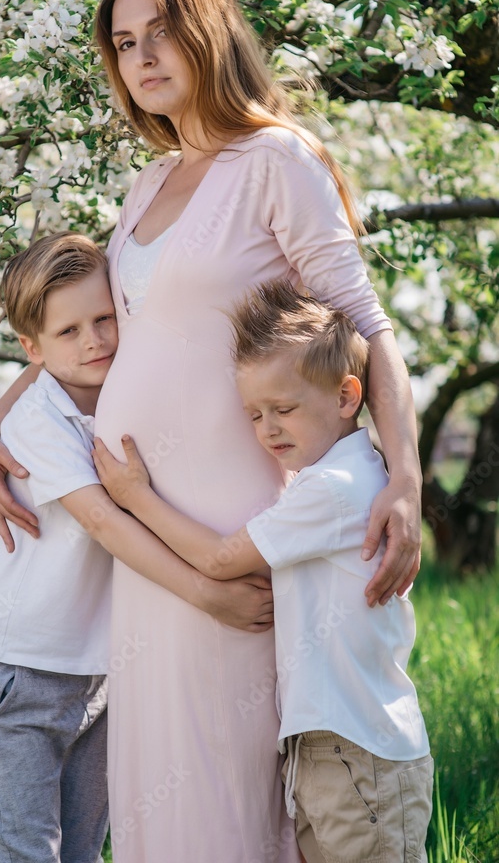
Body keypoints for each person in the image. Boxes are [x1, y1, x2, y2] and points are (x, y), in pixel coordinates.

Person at [0, 0, 422, 862]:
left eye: (159, 32)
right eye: (123, 44)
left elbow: (368, 331)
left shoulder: (276, 162)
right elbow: (108, 336)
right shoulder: (146, 187)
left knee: (227, 773)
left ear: (209, 32)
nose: (141, 57)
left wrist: (402, 481)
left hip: (230, 524)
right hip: (150, 543)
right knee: (156, 784)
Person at [0, 232, 274, 863]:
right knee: (25, 853)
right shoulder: (36, 420)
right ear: (32, 348)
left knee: (83, 852)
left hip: (100, 672)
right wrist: (210, 593)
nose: (94, 340)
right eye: (69, 332)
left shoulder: (129, 389)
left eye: (105, 319)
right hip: (18, 670)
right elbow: (103, 520)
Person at [93, 279, 434, 863]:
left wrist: (136, 496)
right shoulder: (338, 478)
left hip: (358, 750)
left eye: (285, 409)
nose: (267, 429)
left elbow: (222, 559)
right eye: (254, 414)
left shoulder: (335, 488)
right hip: (328, 747)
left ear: (348, 396)